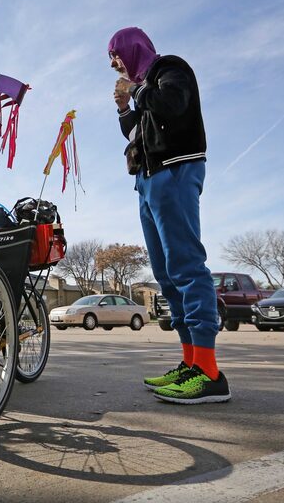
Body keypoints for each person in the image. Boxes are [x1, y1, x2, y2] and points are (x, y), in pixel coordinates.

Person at [109, 26, 230, 404]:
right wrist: (124, 108)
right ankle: (190, 362)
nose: (113, 63)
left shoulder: (169, 68)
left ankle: (209, 372)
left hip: (174, 172)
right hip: (147, 181)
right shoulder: (144, 88)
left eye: (115, 53)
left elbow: (172, 104)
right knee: (164, 272)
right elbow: (138, 132)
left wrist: (137, 90)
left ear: (133, 48)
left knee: (186, 264)